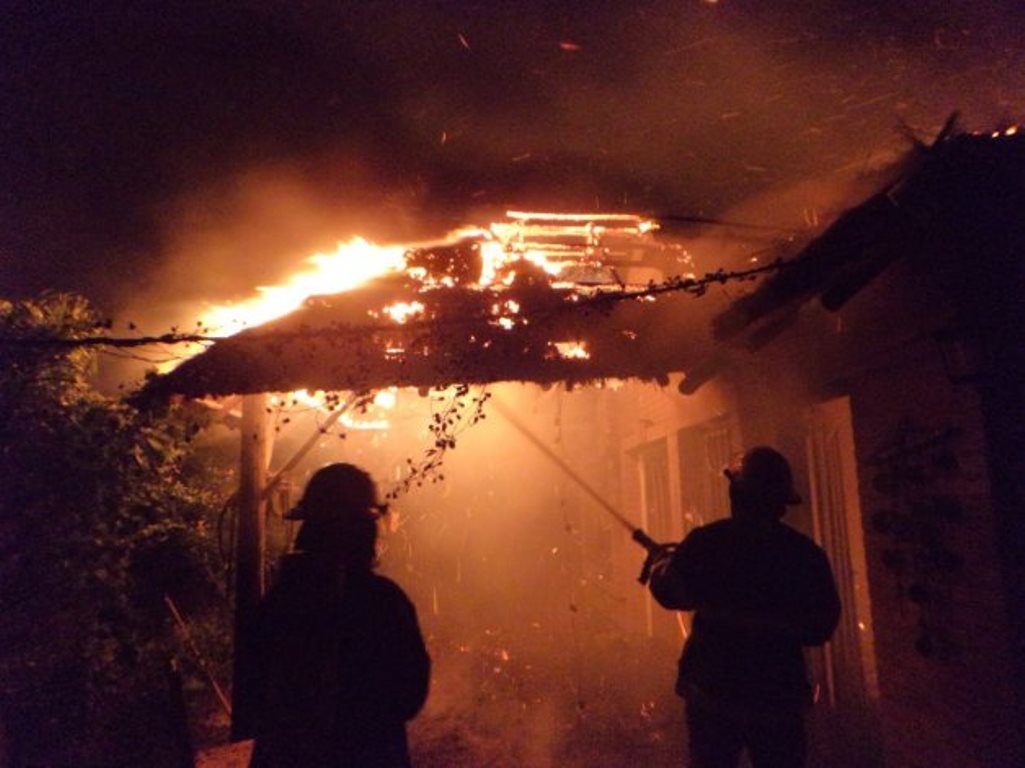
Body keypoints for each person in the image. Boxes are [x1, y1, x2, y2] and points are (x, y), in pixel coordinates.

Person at [648, 446, 840, 768]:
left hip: (713, 693)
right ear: (781, 502)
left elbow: (671, 594)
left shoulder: (707, 542)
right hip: (778, 697)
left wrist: (659, 567)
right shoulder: (803, 553)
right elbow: (822, 625)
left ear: (736, 494)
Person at [242, 463, 430, 768]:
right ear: (365, 530)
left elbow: (252, 691)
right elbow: (410, 694)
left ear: (308, 529)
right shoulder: (383, 603)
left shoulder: (280, 603)